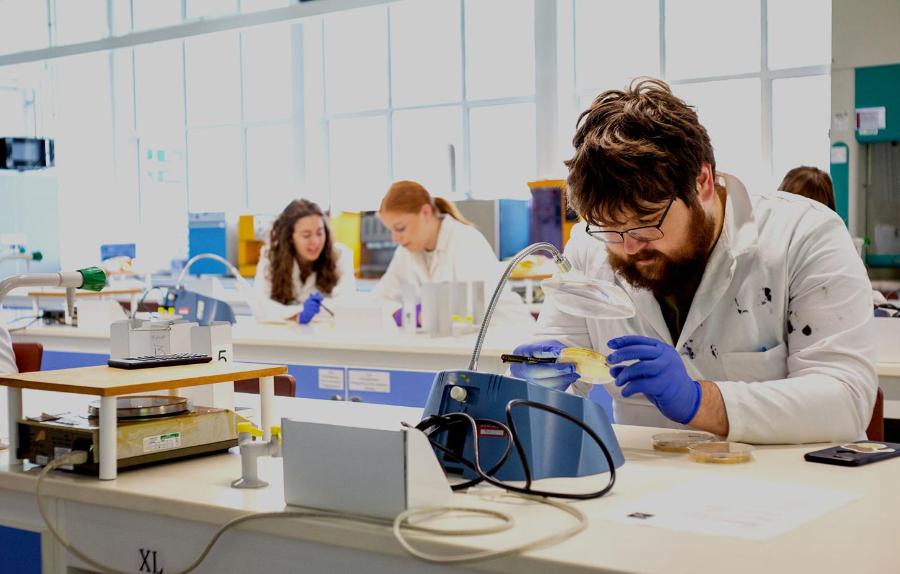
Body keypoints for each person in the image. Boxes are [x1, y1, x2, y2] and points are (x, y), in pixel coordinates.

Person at [510, 78, 876, 444]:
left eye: (647, 223)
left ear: (702, 181)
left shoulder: (804, 235)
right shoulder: (592, 247)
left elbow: (846, 399)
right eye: (610, 230)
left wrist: (701, 400)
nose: (630, 248)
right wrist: (541, 385)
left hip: (798, 485)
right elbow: (554, 389)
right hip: (647, 485)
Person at [374, 181, 532, 327]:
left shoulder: (465, 240)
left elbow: (468, 310)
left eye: (400, 228)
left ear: (426, 213)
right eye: (391, 230)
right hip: (456, 344)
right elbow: (378, 299)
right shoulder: (406, 252)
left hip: (505, 336)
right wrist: (403, 314)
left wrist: (424, 314)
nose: (395, 238)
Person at [254, 199, 356, 323]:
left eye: (319, 233)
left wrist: (287, 313)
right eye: (306, 235)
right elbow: (260, 305)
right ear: (290, 237)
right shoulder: (271, 256)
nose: (315, 241)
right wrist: (297, 314)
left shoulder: (340, 255)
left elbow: (347, 304)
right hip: (284, 336)